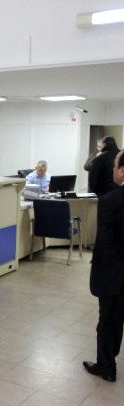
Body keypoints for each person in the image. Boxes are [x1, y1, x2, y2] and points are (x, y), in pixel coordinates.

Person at [83, 150, 124, 382]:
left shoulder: (110, 201)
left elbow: (106, 245)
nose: (112, 171)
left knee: (108, 321)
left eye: (115, 167)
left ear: (122, 171)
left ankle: (106, 366)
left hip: (114, 275)